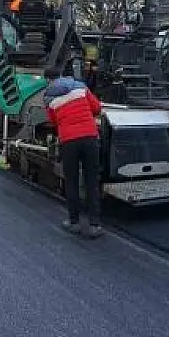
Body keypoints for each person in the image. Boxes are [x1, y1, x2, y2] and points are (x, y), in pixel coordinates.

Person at [43, 65, 104, 239]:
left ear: (48, 80)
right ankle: (95, 225)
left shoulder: (48, 97)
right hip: (90, 137)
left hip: (69, 140)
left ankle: (74, 222)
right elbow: (97, 108)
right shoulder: (80, 87)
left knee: (72, 181)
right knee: (92, 180)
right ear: (62, 74)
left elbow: (53, 121)